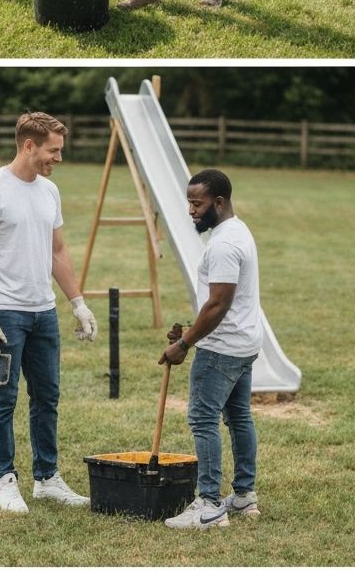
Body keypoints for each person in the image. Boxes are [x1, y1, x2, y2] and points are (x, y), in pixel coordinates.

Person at [0, 111, 98, 513]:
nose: (59, 159)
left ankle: (47, 478)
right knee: (1, 398)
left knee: (47, 397)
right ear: (29, 145)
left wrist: (78, 303)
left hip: (43, 313)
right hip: (3, 315)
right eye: (54, 151)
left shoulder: (49, 192)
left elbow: (57, 251)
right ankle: (4, 481)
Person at [158, 168, 262, 530]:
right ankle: (245, 495)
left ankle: (209, 506)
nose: (191, 211)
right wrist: (189, 329)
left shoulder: (222, 244)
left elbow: (218, 305)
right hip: (244, 343)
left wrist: (186, 343)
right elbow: (218, 303)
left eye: (197, 204)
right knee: (238, 418)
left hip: (222, 349)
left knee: (203, 420)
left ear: (219, 202)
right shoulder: (237, 230)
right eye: (189, 202)